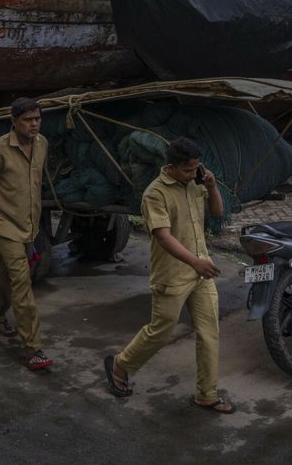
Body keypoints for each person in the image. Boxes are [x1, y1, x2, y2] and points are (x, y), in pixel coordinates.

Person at [104, 137, 234, 413]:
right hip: (172, 274)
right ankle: (120, 364)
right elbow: (162, 237)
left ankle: (206, 394)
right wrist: (195, 262)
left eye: (196, 169)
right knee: (161, 331)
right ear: (171, 167)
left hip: (201, 271)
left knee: (210, 332)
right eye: (187, 170)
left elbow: (217, 211)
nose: (192, 174)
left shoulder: (195, 183)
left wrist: (211, 186)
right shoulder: (155, 193)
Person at [0, 97, 51, 372]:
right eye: (27, 120)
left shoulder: (42, 144)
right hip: (4, 226)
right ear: (14, 122)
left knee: (10, 274)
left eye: (37, 118)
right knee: (22, 284)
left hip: (29, 226)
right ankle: (32, 349)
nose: (34, 124)